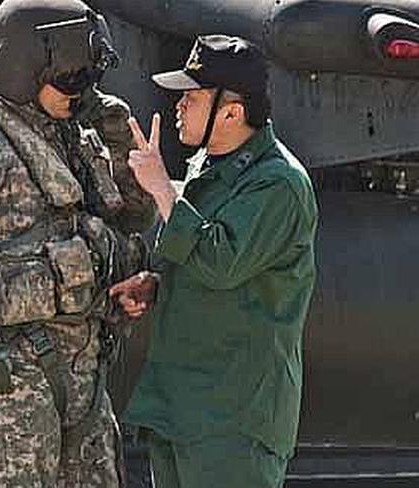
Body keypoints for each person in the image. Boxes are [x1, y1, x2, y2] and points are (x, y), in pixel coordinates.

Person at [0, 0, 154, 487]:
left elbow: (133, 215)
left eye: (88, 76)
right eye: (69, 78)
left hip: (84, 372)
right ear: (20, 68)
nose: (80, 90)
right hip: (13, 375)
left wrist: (117, 136)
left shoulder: (77, 141)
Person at [112, 34, 318, 487]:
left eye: (192, 96)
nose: (179, 105)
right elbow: (208, 267)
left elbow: (222, 261)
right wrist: (156, 283)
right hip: (183, 411)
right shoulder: (208, 164)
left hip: (232, 422)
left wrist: (163, 190)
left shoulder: (278, 184)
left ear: (232, 111)